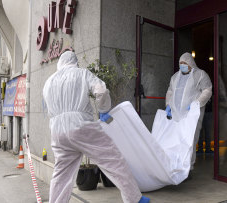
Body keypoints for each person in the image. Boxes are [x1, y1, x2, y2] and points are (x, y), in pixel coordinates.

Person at [43, 51, 149, 203]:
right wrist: (104, 110)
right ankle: (134, 199)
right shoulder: (81, 73)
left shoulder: (49, 81)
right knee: (114, 161)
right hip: (81, 126)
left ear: (60, 63)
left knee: (61, 174)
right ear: (74, 62)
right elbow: (101, 90)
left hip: (57, 131)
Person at [165, 52, 212, 170]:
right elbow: (170, 91)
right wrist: (168, 105)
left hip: (191, 115)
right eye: (180, 63)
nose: (182, 65)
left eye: (184, 63)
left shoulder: (200, 75)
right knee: (176, 141)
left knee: (189, 141)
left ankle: (188, 168)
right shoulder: (175, 76)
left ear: (190, 63)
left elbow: (207, 90)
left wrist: (196, 104)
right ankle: (175, 167)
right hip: (176, 115)